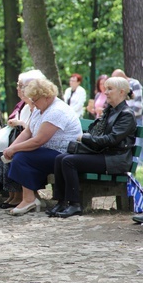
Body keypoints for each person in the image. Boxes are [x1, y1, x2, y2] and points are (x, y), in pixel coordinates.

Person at [49, 77, 136, 218]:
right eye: (105, 88)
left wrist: (85, 138)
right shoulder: (111, 111)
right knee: (60, 158)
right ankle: (61, 202)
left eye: (109, 89)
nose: (105, 92)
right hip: (103, 154)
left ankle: (75, 205)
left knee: (68, 161)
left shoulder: (126, 114)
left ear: (121, 92)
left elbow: (112, 140)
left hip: (115, 160)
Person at [2, 78, 82, 216]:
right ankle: (33, 197)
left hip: (62, 154)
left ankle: (29, 199)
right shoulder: (40, 109)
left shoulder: (57, 111)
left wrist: (15, 149)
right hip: (47, 152)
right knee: (16, 155)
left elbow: (38, 141)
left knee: (21, 157)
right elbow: (28, 132)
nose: (32, 103)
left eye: (35, 99)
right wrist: (11, 148)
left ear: (47, 97)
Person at [0, 70, 46, 206]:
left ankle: (12, 194)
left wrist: (18, 125)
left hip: (34, 143)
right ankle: (2, 192)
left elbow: (34, 129)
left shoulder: (36, 105)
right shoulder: (23, 104)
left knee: (8, 154)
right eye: (19, 85)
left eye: (22, 86)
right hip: (18, 139)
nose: (19, 89)